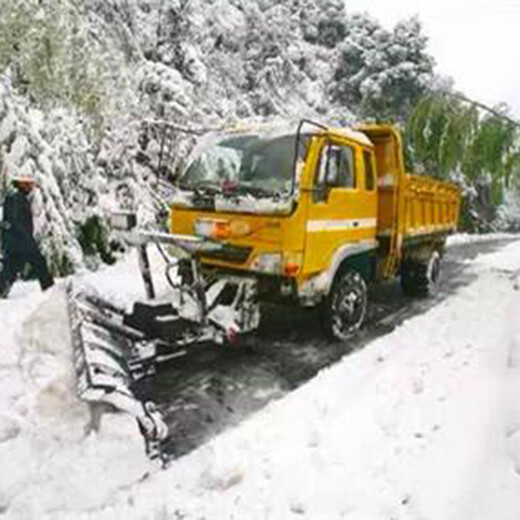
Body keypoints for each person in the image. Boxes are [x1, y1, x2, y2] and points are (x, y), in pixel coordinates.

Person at [0, 176, 54, 298]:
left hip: (13, 241)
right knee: (39, 262)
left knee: (11, 268)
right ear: (20, 184)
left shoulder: (17, 197)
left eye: (31, 184)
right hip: (20, 241)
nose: (31, 187)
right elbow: (15, 221)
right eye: (28, 184)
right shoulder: (16, 198)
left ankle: (1, 289)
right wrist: (27, 238)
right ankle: (50, 289)